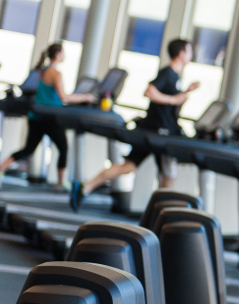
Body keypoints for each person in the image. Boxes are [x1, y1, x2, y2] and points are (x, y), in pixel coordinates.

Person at [70, 38, 199, 211]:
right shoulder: (168, 73)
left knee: (129, 167)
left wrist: (184, 94)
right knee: (169, 176)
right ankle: (160, 214)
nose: (191, 55)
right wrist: (174, 99)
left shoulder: (175, 77)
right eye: (189, 51)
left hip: (154, 129)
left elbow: (167, 103)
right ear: (181, 53)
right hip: (160, 133)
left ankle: (85, 187)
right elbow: (150, 91)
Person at [0, 44, 95, 189]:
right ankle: (60, 183)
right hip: (51, 117)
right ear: (57, 54)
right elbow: (64, 97)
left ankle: (1, 168)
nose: (65, 56)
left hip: (36, 116)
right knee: (63, 148)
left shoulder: (43, 71)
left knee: (28, 149)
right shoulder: (56, 74)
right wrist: (85, 97)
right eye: (63, 53)